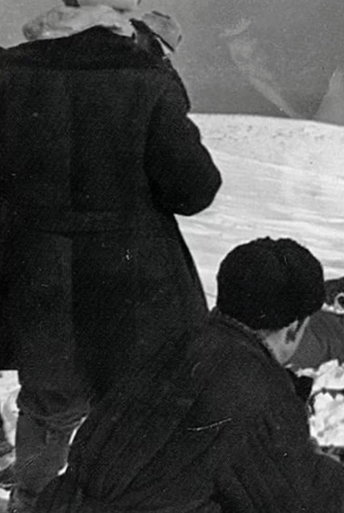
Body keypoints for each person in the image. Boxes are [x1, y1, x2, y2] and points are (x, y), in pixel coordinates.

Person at [0, 0, 222, 509]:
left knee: (48, 406)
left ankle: (31, 502)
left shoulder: (9, 70)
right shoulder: (145, 74)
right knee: (133, 410)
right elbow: (195, 189)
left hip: (39, 281)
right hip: (133, 287)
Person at [36, 237, 344, 513]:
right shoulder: (259, 388)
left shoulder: (169, 343)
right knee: (331, 483)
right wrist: (330, 473)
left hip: (63, 503)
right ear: (294, 328)